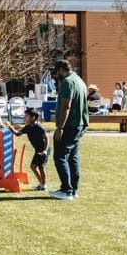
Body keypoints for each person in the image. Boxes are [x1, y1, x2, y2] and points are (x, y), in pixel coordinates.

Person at [51, 58, 88, 200]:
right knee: (73, 157)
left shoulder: (67, 83)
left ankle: (66, 190)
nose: (56, 76)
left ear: (61, 70)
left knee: (60, 156)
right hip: (80, 124)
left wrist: (60, 127)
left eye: (56, 73)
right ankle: (73, 189)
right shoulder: (79, 80)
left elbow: (66, 106)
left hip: (69, 125)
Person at [12, 108, 50, 191]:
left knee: (41, 167)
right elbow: (17, 134)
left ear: (33, 117)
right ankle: (41, 183)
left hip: (44, 149)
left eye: (26, 116)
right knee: (33, 167)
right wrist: (11, 128)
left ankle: (43, 185)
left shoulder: (39, 127)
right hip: (38, 150)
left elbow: (47, 138)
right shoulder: (28, 127)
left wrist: (45, 150)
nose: (24, 118)